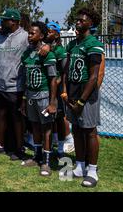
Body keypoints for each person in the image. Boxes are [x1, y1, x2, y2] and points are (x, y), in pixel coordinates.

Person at [63, 8, 105, 188]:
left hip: (87, 96)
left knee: (90, 131)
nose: (78, 22)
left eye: (82, 20)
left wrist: (81, 101)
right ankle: (79, 166)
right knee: (77, 130)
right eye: (77, 20)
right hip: (72, 93)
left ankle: (92, 171)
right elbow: (65, 71)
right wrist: (65, 92)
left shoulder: (93, 43)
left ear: (91, 23)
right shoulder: (72, 45)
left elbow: (94, 76)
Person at [0, 8, 29, 160]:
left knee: (17, 118)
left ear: (14, 22)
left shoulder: (25, 37)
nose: (2, 23)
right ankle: (0, 145)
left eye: (5, 20)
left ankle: (19, 148)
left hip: (16, 86)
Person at [20, 22, 58, 176]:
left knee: (46, 129)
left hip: (43, 96)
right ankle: (36, 157)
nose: (29, 36)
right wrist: (23, 99)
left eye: (32, 33)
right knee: (34, 126)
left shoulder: (47, 54)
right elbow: (25, 79)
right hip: (29, 96)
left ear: (41, 36)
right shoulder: (26, 54)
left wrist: (52, 102)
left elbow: (53, 79)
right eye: (29, 33)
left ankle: (46, 162)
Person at [45, 22, 74, 157]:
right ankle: (50, 145)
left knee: (60, 118)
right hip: (47, 89)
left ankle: (62, 147)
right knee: (50, 118)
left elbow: (64, 72)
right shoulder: (46, 48)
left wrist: (60, 87)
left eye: (50, 32)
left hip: (57, 90)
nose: (47, 34)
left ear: (56, 35)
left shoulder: (60, 51)